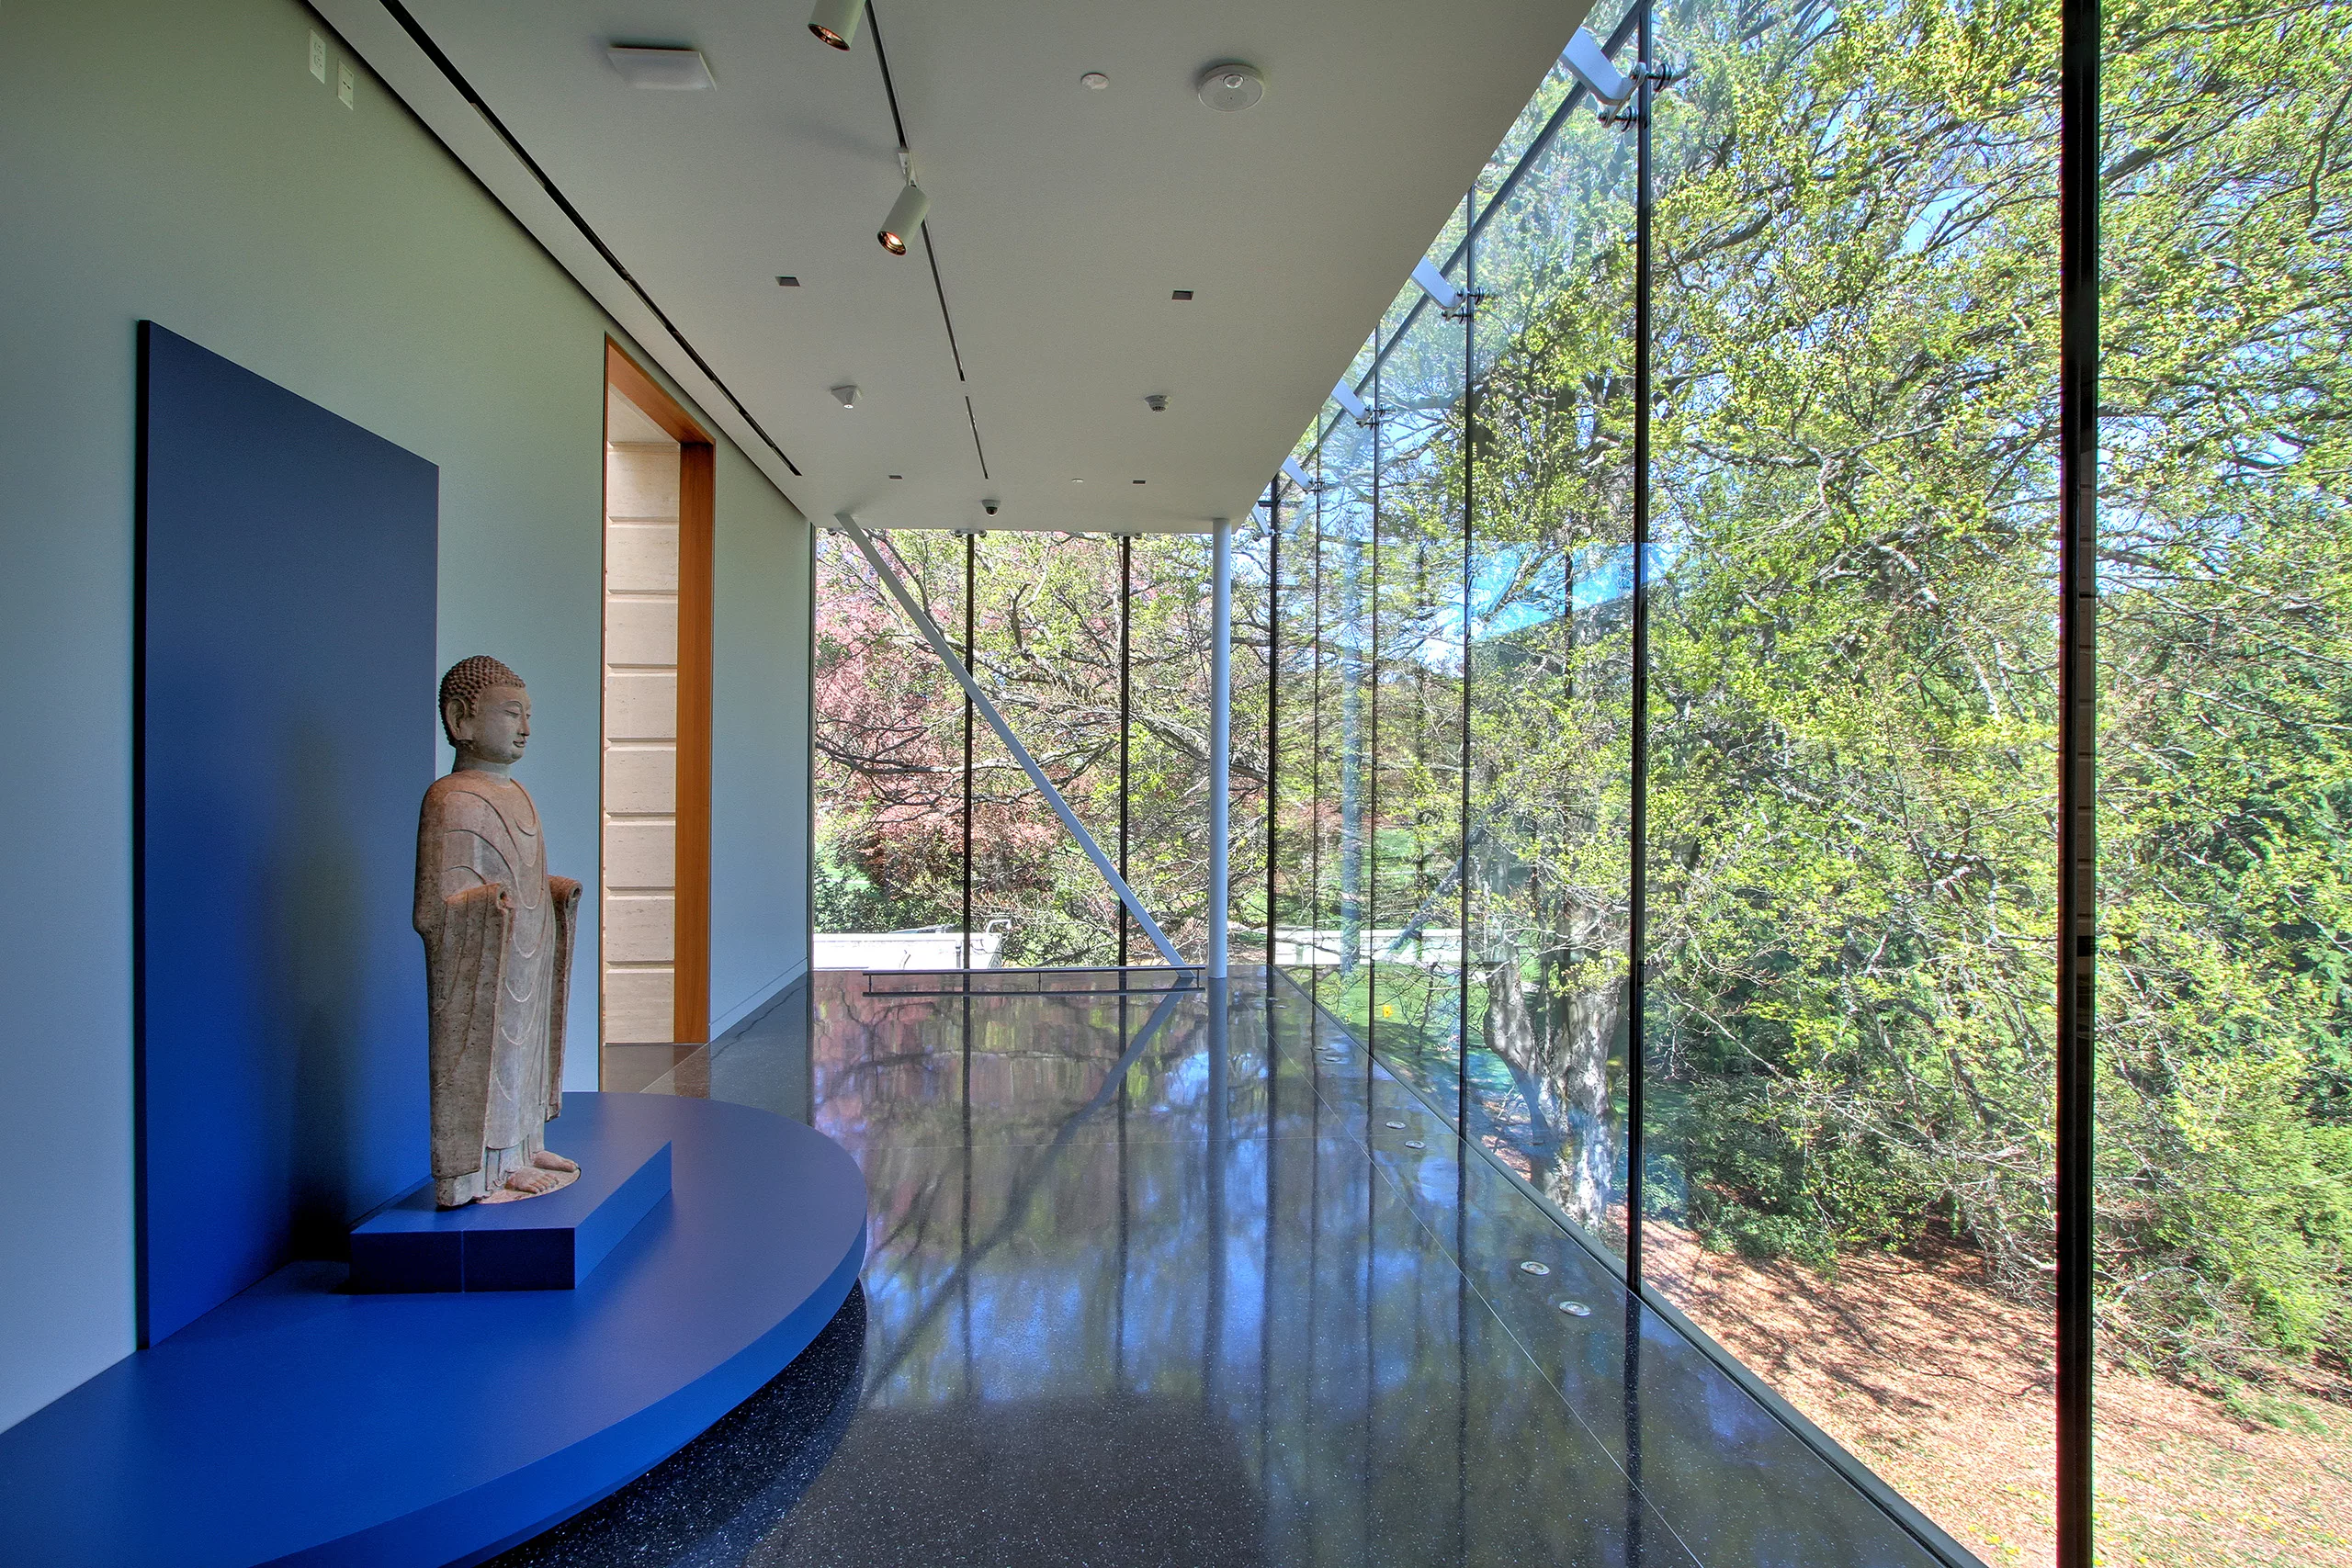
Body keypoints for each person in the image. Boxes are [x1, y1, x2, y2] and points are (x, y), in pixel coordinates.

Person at [415, 655, 582, 1206]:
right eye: (512, 713)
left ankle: (526, 1143)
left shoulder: (520, 796)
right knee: (493, 1050)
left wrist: (553, 894)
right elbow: (434, 909)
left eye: (528, 714)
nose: (526, 728)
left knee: (528, 1048)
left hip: (528, 949)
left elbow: (527, 877)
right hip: (484, 955)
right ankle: (487, 1165)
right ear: (461, 718)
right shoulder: (451, 799)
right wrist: (489, 904)